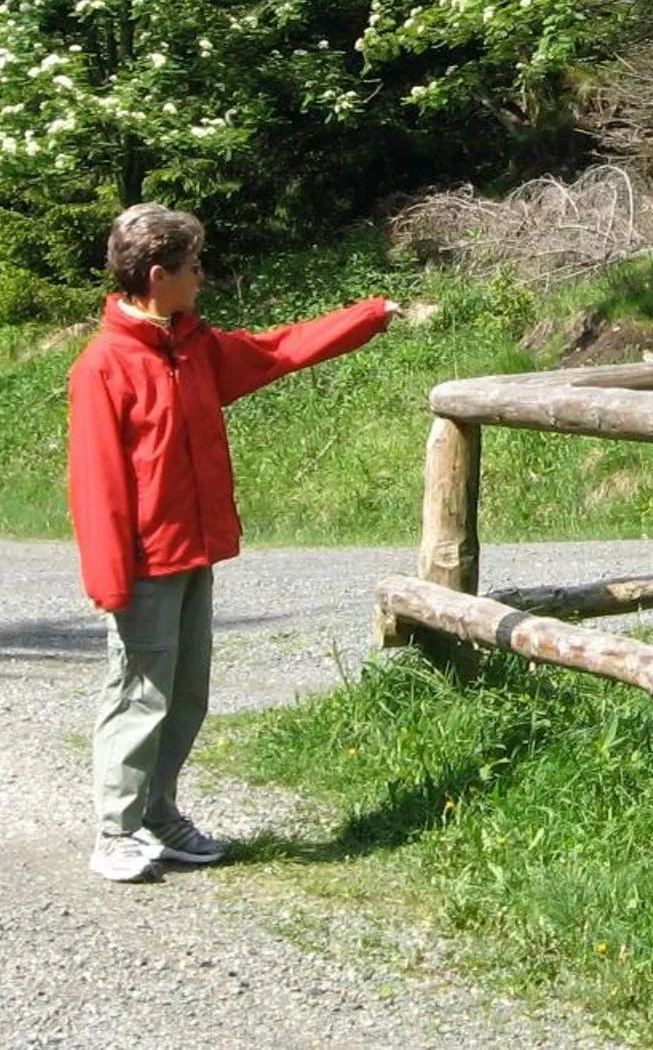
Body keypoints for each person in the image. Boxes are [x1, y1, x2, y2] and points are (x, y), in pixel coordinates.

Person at [68, 203, 396, 882]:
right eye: (193, 267)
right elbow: (95, 483)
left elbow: (275, 350)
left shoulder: (194, 347)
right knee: (138, 693)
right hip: (142, 566)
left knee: (186, 694)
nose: (203, 278)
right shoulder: (104, 364)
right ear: (158, 276)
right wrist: (110, 582)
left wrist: (364, 316)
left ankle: (158, 814)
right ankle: (115, 828)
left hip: (193, 552)